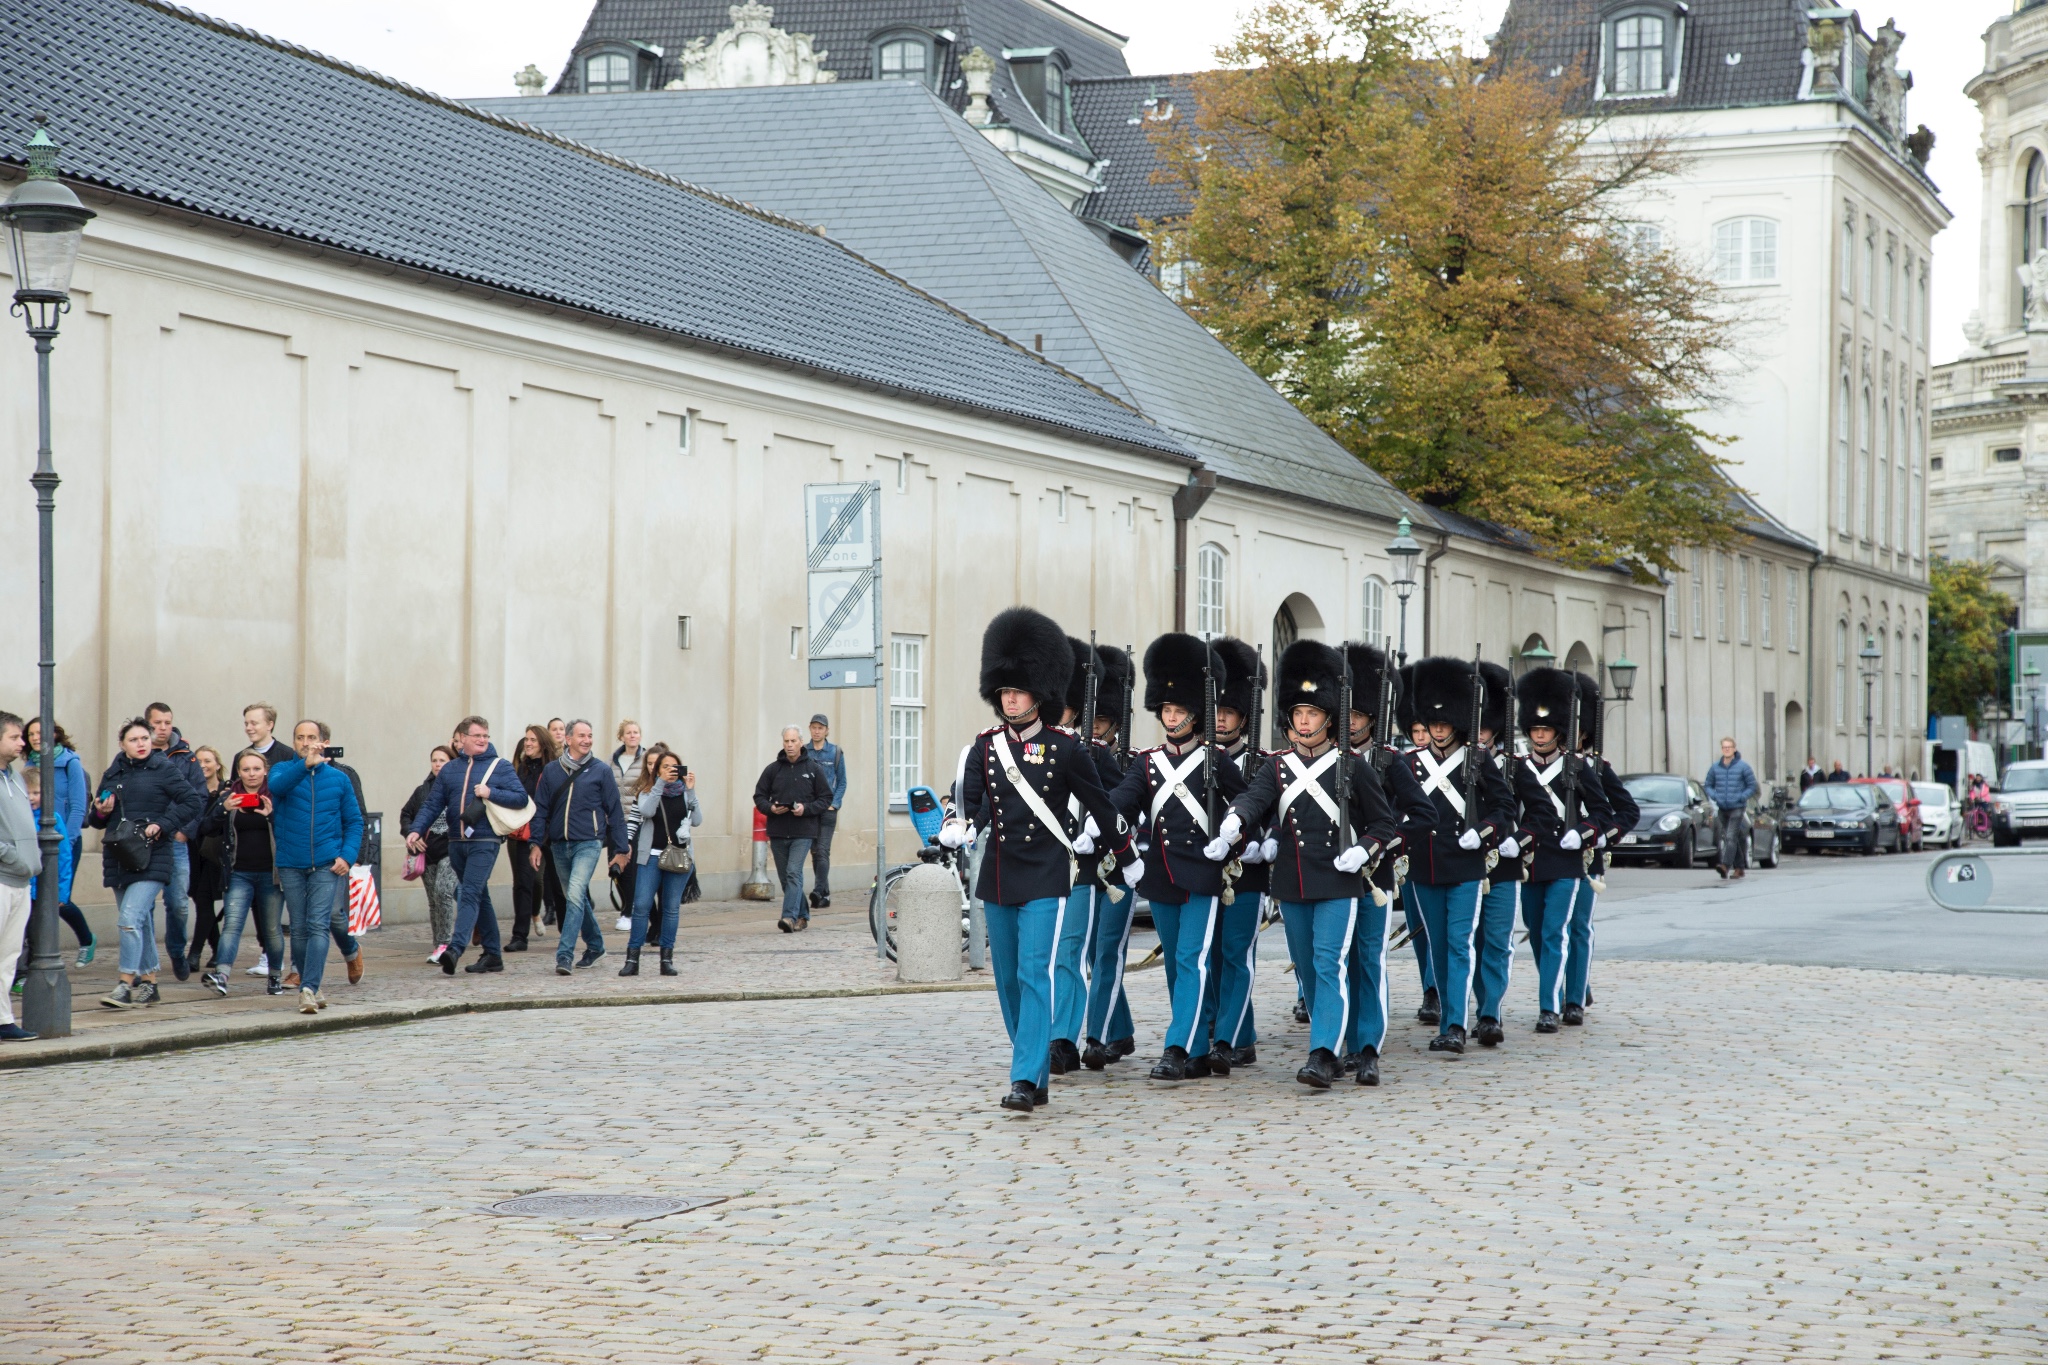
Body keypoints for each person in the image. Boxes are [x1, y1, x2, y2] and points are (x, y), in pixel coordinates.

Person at [940, 607, 1139, 1113]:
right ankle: (1030, 1060)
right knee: (1007, 981)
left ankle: (1026, 1078)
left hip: (1050, 875)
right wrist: (963, 827)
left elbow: (1102, 804)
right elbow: (980, 805)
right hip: (1000, 877)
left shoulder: (1066, 749)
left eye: (1019, 689)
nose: (1010, 696)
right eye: (1004, 689)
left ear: (1039, 692)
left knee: (1035, 973)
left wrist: (1125, 853)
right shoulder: (986, 750)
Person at [1221, 641, 1398, 1088]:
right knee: (1307, 967)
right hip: (1292, 882)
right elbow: (1255, 798)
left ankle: (1323, 1052)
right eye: (1298, 713)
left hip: (1339, 882)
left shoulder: (1353, 766)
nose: (1303, 720)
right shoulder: (1278, 767)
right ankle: (1331, 1044)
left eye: (1312, 713)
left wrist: (1368, 848)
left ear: (1328, 718)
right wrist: (1236, 818)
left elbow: (1384, 822)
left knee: (1328, 963)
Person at [1105, 631, 1249, 1083]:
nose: (1170, 717)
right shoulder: (1147, 763)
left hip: (1204, 873)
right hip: (1161, 876)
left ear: (1194, 714)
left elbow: (1249, 807)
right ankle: (1197, 1043)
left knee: (1192, 958)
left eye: (1178, 710)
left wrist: (1232, 839)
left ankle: (1176, 1046)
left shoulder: (1216, 760)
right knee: (1175, 962)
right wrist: (1101, 817)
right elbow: (1124, 799)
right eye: (1165, 710)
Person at [1399, 656, 1516, 1055]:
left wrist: (1483, 834)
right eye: (1433, 724)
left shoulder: (1478, 760)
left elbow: (1504, 809)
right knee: (1437, 945)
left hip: (1465, 865)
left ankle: (1455, 1024)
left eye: (1445, 724)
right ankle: (1450, 1013)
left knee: (1459, 943)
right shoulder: (1409, 764)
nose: (1438, 730)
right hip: (1424, 866)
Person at [1510, 668, 1610, 1034]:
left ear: (1558, 732)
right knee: (1536, 932)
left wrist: (1584, 833)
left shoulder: (1578, 768)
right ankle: (1558, 991)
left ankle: (1552, 1005)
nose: (1539, 735)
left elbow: (1602, 812)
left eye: (1546, 730)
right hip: (1532, 861)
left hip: (1567, 861)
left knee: (1556, 931)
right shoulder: (1519, 769)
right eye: (1535, 730)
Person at [404, 716, 530, 974]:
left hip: (485, 840)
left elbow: (521, 799)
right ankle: (493, 955)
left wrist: (490, 793)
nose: (483, 740)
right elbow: (432, 804)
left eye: (486, 735)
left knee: (469, 892)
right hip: (456, 842)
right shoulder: (450, 770)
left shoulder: (500, 767)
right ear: (463, 739)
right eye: (477, 736)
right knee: (479, 896)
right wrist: (416, 830)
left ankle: (455, 948)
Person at [90, 717, 201, 1009]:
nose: (140, 744)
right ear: (122, 745)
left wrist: (163, 825)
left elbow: (193, 802)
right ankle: (151, 983)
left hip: (153, 854)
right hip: (119, 856)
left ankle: (125, 984)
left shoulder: (164, 768)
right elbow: (95, 818)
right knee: (140, 922)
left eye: (144, 739)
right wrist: (101, 811)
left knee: (128, 920)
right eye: (133, 740)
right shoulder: (114, 772)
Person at [1198, 636, 1266, 1071]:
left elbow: (1278, 810)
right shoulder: (1195, 757)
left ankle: (1232, 1036)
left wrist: (1264, 839)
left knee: (1236, 953)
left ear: (1243, 717)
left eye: (1228, 713)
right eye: (1216, 712)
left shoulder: (1262, 760)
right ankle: (1227, 1029)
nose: (1221, 720)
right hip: (1202, 867)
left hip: (1247, 871)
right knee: (1208, 954)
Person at [265, 720, 364, 1014]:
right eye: (300, 738)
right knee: (299, 928)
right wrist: (304, 765)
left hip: (325, 863)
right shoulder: (282, 771)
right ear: (294, 742)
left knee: (319, 923)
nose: (306, 742)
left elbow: (354, 821)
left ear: (322, 742)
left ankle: (308, 988)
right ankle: (314, 984)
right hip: (291, 862)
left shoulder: (339, 778)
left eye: (311, 738)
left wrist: (346, 855)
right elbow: (278, 787)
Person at [1073, 645, 1136, 1071]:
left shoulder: (1128, 762)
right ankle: (1121, 1031)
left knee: (1108, 952)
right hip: (1082, 868)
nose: (1094, 728)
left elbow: (1131, 807)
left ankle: (1096, 1037)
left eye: (1101, 721)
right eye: (1089, 720)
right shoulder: (1077, 753)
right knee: (1093, 954)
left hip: (1119, 866)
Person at [530, 719, 629, 976]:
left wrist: (621, 849)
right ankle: (595, 946)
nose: (587, 740)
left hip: (589, 842)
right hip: (559, 846)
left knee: (574, 894)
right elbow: (540, 810)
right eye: (582, 735)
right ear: (569, 740)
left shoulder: (601, 771)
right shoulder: (551, 771)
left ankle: (564, 955)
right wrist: (536, 843)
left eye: (590, 735)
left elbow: (615, 811)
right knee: (576, 898)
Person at [1568, 672, 1638, 1021]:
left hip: (1585, 859)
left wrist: (1601, 836)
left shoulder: (1596, 767)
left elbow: (1627, 811)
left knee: (1578, 925)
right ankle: (1572, 982)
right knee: (1545, 930)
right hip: (1546, 856)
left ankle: (1576, 992)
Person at [199, 749, 285, 997]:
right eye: (246, 769)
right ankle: (222, 976)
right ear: (239, 772)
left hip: (271, 874)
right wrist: (223, 808)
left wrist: (271, 816)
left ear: (265, 770)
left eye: (256, 769)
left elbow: (288, 832)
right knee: (232, 926)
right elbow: (206, 828)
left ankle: (275, 977)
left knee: (271, 930)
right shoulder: (229, 796)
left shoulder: (275, 796)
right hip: (239, 873)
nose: (251, 774)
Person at [144, 702, 205, 981]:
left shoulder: (186, 757)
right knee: (145, 904)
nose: (163, 728)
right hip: (143, 841)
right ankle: (145, 962)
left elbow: (199, 797)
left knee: (178, 902)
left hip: (176, 840)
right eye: (157, 723)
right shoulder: (137, 754)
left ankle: (177, 951)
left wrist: (185, 830)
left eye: (167, 722)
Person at [24, 717, 93, 963]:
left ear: (54, 734)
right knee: (35, 899)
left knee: (59, 899)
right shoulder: (29, 765)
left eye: (39, 732)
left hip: (63, 840)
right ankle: (38, 957)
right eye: (31, 733)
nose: (34, 737)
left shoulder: (69, 762)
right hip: (34, 840)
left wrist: (68, 840)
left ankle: (86, 939)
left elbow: (77, 807)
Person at [624, 751, 699, 976]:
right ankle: (632, 959)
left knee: (671, 908)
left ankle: (666, 959)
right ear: (657, 770)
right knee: (641, 906)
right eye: (665, 767)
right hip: (651, 857)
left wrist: (691, 790)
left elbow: (697, 820)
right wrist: (659, 784)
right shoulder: (647, 792)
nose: (670, 771)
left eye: (674, 766)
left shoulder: (685, 794)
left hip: (678, 858)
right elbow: (647, 811)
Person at [753, 727, 833, 933]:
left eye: (793, 741)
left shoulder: (814, 769)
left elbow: (825, 798)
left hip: (804, 831)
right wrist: (771, 808)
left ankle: (788, 917)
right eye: (786, 741)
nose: (789, 745)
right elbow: (759, 796)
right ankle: (803, 915)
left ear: (801, 742)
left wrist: (806, 809)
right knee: (785, 878)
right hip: (778, 830)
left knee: (793, 872)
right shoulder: (773, 770)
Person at [0, 714, 43, 1038]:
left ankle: (3, 1020)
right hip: (2, 877)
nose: (22, 742)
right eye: (15, 737)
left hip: (21, 880)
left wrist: (31, 862)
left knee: (10, 954)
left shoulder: (14, 776)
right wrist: (13, 858)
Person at [401, 746, 459, 958]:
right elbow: (405, 815)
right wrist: (411, 835)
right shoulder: (422, 791)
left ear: (451, 763)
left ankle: (445, 943)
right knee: (434, 900)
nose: (437, 764)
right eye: (434, 760)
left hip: (451, 849)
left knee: (443, 891)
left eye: (442, 760)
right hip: (427, 853)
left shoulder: (458, 787)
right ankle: (438, 945)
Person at [508, 724, 557, 952]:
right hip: (520, 833)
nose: (527, 743)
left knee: (542, 881)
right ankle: (519, 936)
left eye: (533, 740)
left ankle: (541, 916)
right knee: (521, 883)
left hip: (546, 833)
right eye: (526, 739)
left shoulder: (553, 770)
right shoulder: (520, 769)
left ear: (543, 744)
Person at [184, 745, 227, 975]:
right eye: (198, 761)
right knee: (200, 900)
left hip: (213, 852)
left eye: (208, 761)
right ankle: (218, 948)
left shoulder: (225, 790)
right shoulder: (191, 790)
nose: (203, 765)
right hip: (192, 850)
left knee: (204, 899)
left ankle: (195, 953)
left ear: (217, 765)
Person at [805, 714, 847, 910]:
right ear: (810, 729)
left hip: (828, 810)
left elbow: (842, 781)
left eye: (820, 728)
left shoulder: (835, 752)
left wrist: (834, 803)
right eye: (813, 727)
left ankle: (818, 890)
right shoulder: (804, 752)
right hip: (810, 810)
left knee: (822, 850)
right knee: (815, 852)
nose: (816, 731)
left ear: (826, 730)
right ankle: (824, 895)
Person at [1704, 736, 1758, 880]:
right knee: (1733, 838)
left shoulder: (1743, 767)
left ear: (1734, 749)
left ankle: (1725, 865)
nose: (1727, 749)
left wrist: (1742, 797)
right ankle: (1739, 868)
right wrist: (1714, 796)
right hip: (1722, 807)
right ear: (1722, 749)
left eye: (1729, 747)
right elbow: (1708, 784)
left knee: (1730, 836)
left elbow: (1752, 786)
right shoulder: (1715, 767)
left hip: (1737, 807)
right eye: (1724, 747)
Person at [241, 703, 292, 769]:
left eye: (254, 723)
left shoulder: (288, 755)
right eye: (246, 724)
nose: (248, 728)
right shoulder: (241, 757)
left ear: (269, 725)